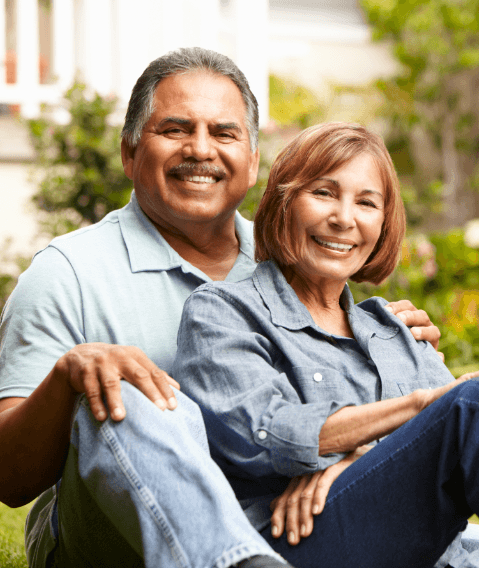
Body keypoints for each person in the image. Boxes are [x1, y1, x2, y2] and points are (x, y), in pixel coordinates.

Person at [0, 49, 441, 568]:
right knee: (130, 384)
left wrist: (384, 347)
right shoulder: (67, 271)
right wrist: (68, 378)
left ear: (252, 161)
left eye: (224, 134)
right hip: (117, 536)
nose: (200, 150)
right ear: (130, 152)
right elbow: (6, 477)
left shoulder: (299, 255)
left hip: (286, 523)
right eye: (175, 129)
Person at [173, 122, 479, 568]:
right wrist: (419, 406)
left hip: (440, 553)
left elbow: (445, 455)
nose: (344, 218)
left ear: (383, 223)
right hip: (298, 540)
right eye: (323, 193)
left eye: (367, 203)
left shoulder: (395, 330)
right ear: (283, 202)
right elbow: (262, 431)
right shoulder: (222, 312)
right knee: (468, 402)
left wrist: (355, 459)